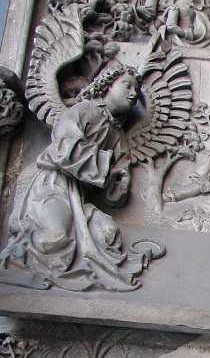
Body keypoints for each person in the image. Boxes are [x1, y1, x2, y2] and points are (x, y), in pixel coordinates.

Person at [0, 63, 161, 291]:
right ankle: (15, 260)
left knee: (108, 234)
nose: (133, 93)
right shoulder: (85, 110)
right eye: (127, 85)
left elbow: (116, 184)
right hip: (54, 185)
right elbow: (63, 147)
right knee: (55, 238)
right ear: (107, 85)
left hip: (80, 199)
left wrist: (119, 185)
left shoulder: (117, 135)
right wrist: (105, 166)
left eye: (136, 90)